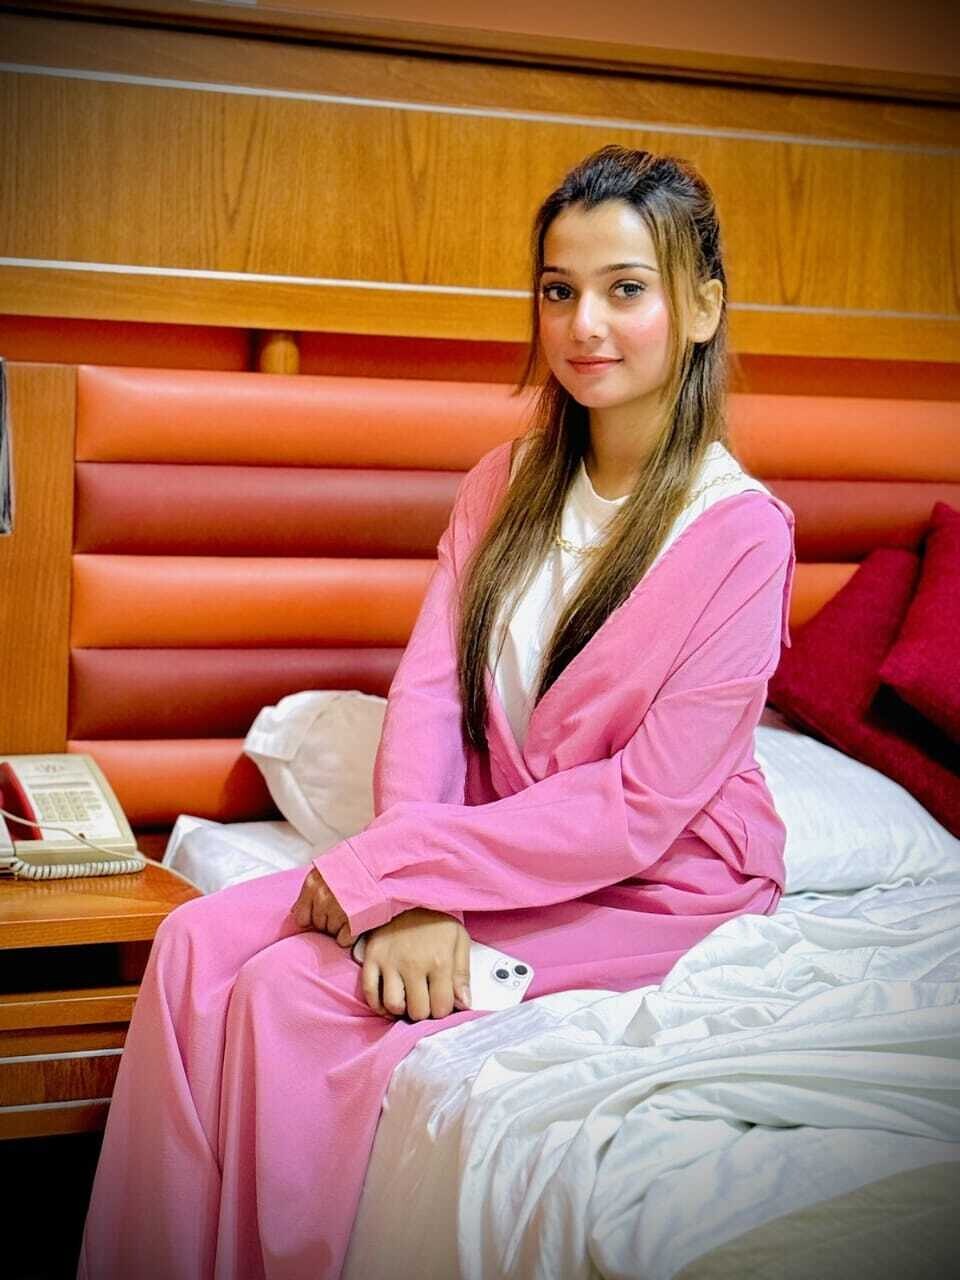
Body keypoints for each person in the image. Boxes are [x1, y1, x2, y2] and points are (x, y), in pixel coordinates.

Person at [78, 144, 796, 1280]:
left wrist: (406, 872)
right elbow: (426, 699)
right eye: (558, 290)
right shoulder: (501, 483)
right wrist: (415, 886)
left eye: (627, 289)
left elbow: (640, 805)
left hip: (659, 882)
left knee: (292, 996)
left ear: (702, 307)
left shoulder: (743, 534)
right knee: (192, 940)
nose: (585, 325)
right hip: (488, 854)